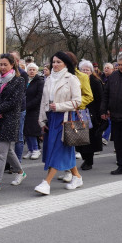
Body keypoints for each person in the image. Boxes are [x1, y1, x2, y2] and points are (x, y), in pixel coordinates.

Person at [33, 52, 82, 195]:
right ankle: (77, 176)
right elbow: (43, 101)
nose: (55, 65)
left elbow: (77, 101)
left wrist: (59, 106)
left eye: (58, 62)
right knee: (59, 149)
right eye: (53, 62)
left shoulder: (71, 79)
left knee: (57, 149)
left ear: (65, 63)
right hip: (50, 117)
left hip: (65, 117)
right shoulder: (48, 79)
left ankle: (46, 182)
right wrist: (41, 120)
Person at [0, 53, 27, 187]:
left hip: (10, 120)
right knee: (8, 150)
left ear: (12, 65)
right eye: (0, 64)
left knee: (1, 152)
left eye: (5, 64)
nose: (2, 67)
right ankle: (20, 172)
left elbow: (14, 102)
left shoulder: (19, 80)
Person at [76, 60, 104, 170]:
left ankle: (89, 161)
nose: (85, 72)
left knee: (90, 139)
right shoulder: (78, 81)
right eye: (83, 70)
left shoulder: (95, 82)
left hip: (92, 114)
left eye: (87, 70)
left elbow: (100, 99)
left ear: (92, 71)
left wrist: (99, 113)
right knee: (80, 138)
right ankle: (85, 158)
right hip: (80, 112)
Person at [23, 63, 44, 160]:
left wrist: (28, 105)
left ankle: (36, 149)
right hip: (25, 108)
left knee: (32, 130)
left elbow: (39, 97)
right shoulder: (25, 80)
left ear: (36, 71)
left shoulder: (39, 81)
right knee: (26, 130)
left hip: (34, 109)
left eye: (33, 70)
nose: (31, 71)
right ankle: (30, 149)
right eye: (30, 69)